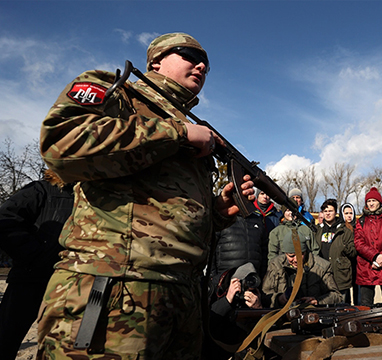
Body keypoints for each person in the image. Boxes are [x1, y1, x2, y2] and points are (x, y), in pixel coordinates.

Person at [36, 33, 255, 359]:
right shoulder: (120, 92)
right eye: (190, 54)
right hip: (114, 289)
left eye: (206, 65)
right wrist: (177, 134)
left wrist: (218, 211)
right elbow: (60, 144)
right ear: (156, 60)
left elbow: (165, 213)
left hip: (183, 297)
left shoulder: (190, 124)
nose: (201, 65)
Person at [0, 169, 74, 359]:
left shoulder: (95, 196)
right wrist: (34, 255)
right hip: (30, 279)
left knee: (62, 347)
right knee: (5, 340)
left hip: (72, 286)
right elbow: (5, 220)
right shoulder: (42, 190)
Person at [263, 230, 343, 307]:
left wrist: (317, 301)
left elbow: (336, 296)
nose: (296, 260)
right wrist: (278, 299)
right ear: (285, 253)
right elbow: (265, 296)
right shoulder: (275, 265)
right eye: (291, 256)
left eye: (300, 255)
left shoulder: (322, 267)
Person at [203, 263, 263, 360]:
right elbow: (209, 322)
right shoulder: (216, 289)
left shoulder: (255, 293)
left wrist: (258, 308)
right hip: (216, 350)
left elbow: (259, 330)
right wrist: (227, 300)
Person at [208, 213, 268, 294]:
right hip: (225, 283)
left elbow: (264, 252)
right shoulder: (222, 219)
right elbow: (210, 250)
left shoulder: (258, 220)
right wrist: (214, 277)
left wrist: (261, 277)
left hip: (252, 283)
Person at [313, 199, 357, 303]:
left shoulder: (345, 230)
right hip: (322, 276)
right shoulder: (317, 230)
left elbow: (353, 252)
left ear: (336, 213)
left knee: (342, 309)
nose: (328, 213)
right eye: (325, 211)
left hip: (340, 276)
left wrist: (344, 246)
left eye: (330, 211)